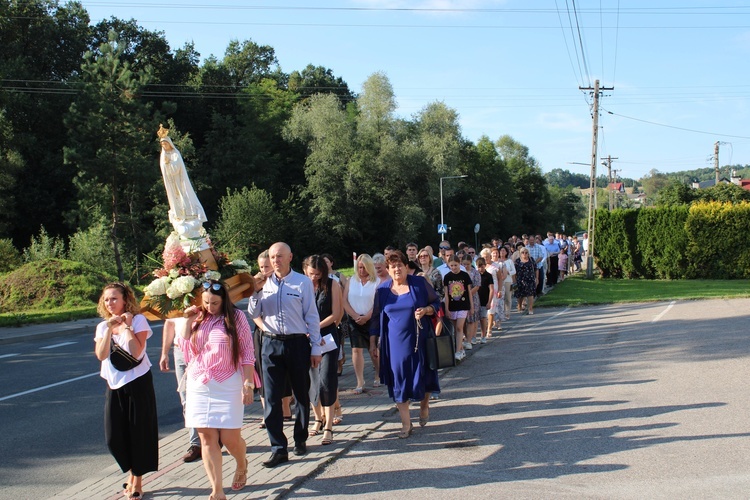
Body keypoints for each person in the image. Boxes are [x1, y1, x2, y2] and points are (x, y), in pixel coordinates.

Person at [179, 280, 256, 499]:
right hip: (200, 383)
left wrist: (248, 384)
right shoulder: (197, 316)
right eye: (206, 302)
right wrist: (188, 320)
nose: (210, 307)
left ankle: (241, 462)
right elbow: (184, 345)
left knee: (231, 439)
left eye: (214, 303)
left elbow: (247, 353)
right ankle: (217, 489)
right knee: (206, 438)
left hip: (228, 383)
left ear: (224, 301)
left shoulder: (236, 318)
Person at [248, 242, 322, 468]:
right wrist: (255, 291)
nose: (275, 261)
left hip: (297, 343)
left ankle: (300, 439)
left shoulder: (302, 282)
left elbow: (311, 315)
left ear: (290, 257)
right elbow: (253, 313)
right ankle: (278, 448)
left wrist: (316, 347)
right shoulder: (262, 283)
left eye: (279, 256)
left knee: (300, 394)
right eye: (272, 257)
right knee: (271, 398)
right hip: (270, 343)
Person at [93, 283, 158, 500]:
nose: (110, 303)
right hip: (114, 385)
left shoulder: (138, 320)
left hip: (137, 382)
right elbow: (101, 355)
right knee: (114, 436)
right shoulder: (103, 327)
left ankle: (137, 479)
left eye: (114, 299)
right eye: (106, 299)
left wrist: (128, 326)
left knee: (138, 432)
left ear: (125, 299)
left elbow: (137, 351)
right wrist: (110, 329)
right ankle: (130, 471)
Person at [370, 251, 440, 438]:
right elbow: (376, 318)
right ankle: (406, 424)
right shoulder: (383, 290)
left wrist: (426, 310)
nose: (397, 269)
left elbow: (437, 302)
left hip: (419, 340)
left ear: (405, 266)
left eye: (400, 265)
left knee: (424, 377)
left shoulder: (418, 283)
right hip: (394, 345)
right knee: (398, 380)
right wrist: (373, 342)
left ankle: (424, 406)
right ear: (387, 269)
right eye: (393, 266)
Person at [303, 255, 342, 447]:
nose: (314, 278)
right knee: (311, 381)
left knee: (327, 379)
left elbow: (336, 314)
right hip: (306, 339)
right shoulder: (301, 286)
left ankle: (328, 426)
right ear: (305, 271)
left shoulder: (332, 285)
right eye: (311, 274)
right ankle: (317, 419)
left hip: (327, 337)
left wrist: (315, 327)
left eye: (318, 274)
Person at [159, 318, 201, 462]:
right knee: (186, 400)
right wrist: (165, 352)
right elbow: (170, 323)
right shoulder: (174, 299)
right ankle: (196, 444)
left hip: (201, 348)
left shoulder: (201, 296)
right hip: (180, 350)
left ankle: (215, 436)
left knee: (203, 397)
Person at [157, 124, 207, 239]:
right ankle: (179, 215)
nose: (164, 146)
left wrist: (169, 162)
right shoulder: (163, 155)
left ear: (169, 144)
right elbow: (164, 169)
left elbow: (177, 167)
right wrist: (166, 164)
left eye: (165, 144)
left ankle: (189, 214)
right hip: (171, 182)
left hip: (179, 181)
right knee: (175, 199)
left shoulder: (175, 153)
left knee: (184, 197)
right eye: (162, 145)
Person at [342, 253, 380, 393]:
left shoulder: (376, 282)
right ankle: (360, 381)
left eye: (364, 267)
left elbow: (378, 303)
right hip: (355, 320)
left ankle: (378, 373)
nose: (361, 271)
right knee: (356, 349)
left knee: (373, 349)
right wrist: (355, 315)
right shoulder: (352, 280)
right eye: (359, 267)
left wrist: (367, 317)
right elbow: (344, 300)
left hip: (372, 320)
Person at [443, 255, 474, 361]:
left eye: (455, 265)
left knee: (460, 327)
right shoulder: (447, 277)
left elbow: (469, 291)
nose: (454, 267)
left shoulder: (465, 275)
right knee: (456, 329)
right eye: (451, 265)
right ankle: (460, 349)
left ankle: (457, 351)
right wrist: (446, 308)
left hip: (463, 305)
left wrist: (471, 306)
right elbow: (446, 294)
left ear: (459, 264)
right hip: (452, 306)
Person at [475, 257, 494, 344]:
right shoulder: (475, 275)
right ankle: (473, 336)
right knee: (475, 319)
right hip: (475, 300)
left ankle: (483, 335)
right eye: (479, 267)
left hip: (484, 300)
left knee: (483, 318)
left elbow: (491, 289)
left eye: (482, 266)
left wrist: (489, 302)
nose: (480, 269)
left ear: (485, 266)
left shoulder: (488, 276)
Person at [515, 247, 537, 315]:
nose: (524, 254)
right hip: (520, 279)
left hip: (530, 279)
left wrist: (537, 278)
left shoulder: (531, 260)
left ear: (528, 253)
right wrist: (514, 280)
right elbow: (514, 271)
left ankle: (530, 308)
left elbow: (536, 269)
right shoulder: (517, 261)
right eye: (522, 252)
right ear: (520, 253)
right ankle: (519, 306)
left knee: (530, 294)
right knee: (520, 294)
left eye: (526, 252)